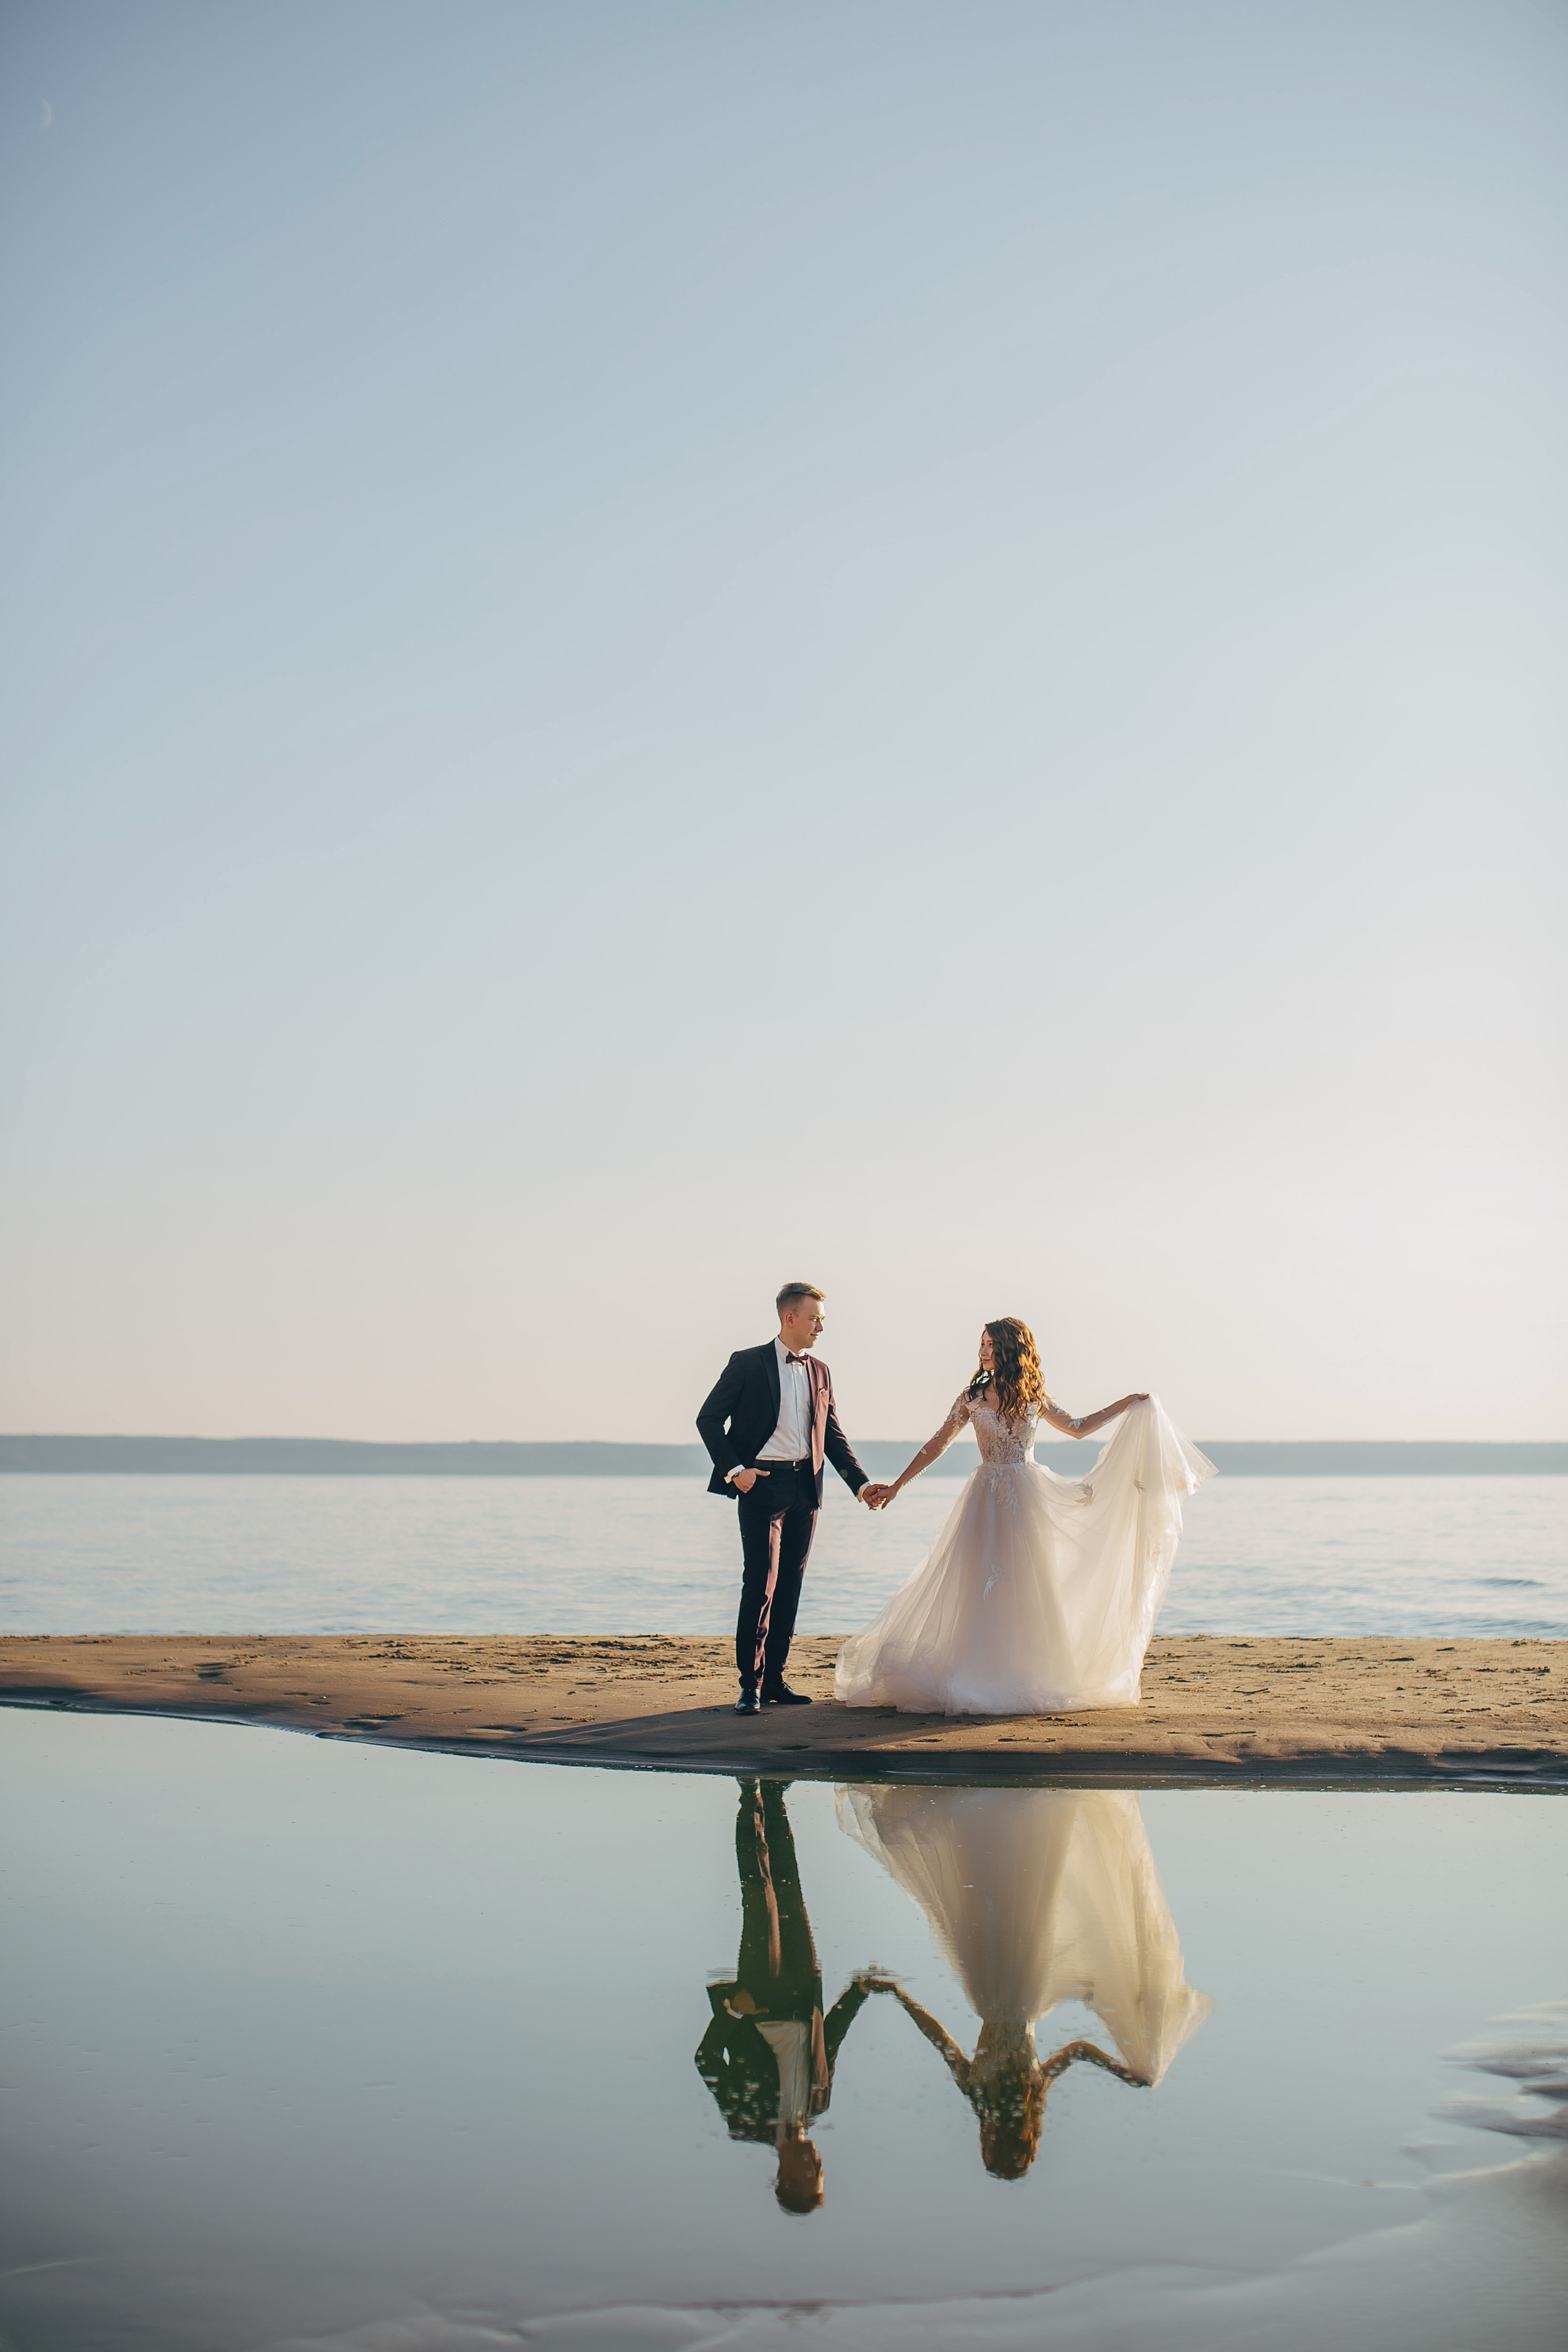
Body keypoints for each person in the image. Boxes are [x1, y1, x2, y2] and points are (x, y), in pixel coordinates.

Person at [840, 1316, 1215, 1715]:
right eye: (981, 1344)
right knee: (975, 1582)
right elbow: (938, 1443)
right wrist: (897, 1485)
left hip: (1027, 1498)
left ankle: (1027, 1672)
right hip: (984, 1499)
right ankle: (973, 1669)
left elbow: (1077, 1427)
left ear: (1010, 1349)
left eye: (990, 1345)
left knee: (1028, 1583)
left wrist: (1126, 1404)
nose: (983, 1351)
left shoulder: (1033, 1394)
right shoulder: (971, 1395)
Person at [838, 1782, 1212, 2179]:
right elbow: (1076, 2050)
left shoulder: (1013, 2093)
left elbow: (944, 2038)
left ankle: (1010, 1815)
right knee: (1001, 1903)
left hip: (1014, 1993)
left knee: (1008, 1902)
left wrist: (898, 1995)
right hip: (997, 1992)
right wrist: (1120, 2071)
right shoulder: (1005, 2092)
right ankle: (1007, 1815)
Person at [695, 1777, 876, 2213]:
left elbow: (706, 2061)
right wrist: (859, 1993)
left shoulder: (745, 2122)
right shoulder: (819, 2103)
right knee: (791, 1888)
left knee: (760, 1894)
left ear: (786, 2177)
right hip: (801, 1990)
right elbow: (828, 2041)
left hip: (758, 1997)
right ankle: (773, 1798)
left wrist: (734, 2015)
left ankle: (746, 1799)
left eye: (811, 2175)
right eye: (821, 2173)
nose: (819, 2164)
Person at [697, 1282, 876, 1716]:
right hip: (759, 1485)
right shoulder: (748, 1363)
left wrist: (860, 1483)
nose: (820, 1327)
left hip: (805, 1489)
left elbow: (832, 1435)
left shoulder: (821, 1371)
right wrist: (736, 1472)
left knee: (791, 1588)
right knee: (760, 1584)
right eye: (815, 1318)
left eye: (823, 1320)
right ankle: (750, 1686)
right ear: (789, 1317)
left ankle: (775, 1680)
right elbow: (708, 1419)